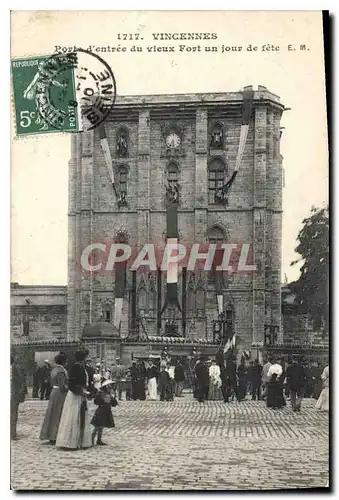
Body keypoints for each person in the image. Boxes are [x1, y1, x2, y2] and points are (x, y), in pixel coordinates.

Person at [56, 348, 92, 449]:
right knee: (73, 417)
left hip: (80, 396)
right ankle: (71, 442)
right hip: (75, 396)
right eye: (86, 357)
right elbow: (72, 384)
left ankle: (79, 441)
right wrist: (82, 391)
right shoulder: (76, 367)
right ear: (83, 358)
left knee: (79, 417)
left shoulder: (81, 367)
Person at [40, 352, 69, 444]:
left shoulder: (54, 369)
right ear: (64, 361)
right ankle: (54, 436)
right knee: (57, 414)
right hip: (60, 393)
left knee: (52, 413)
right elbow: (62, 386)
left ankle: (50, 435)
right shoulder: (61, 371)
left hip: (54, 392)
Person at [91, 380, 118, 446]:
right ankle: (91, 440)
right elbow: (96, 401)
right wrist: (103, 401)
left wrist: (112, 397)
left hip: (107, 411)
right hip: (101, 411)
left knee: (101, 426)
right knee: (97, 426)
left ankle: (99, 440)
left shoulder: (109, 394)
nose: (109, 388)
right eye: (108, 386)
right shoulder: (100, 394)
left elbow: (114, 404)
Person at [11, 354, 27, 440]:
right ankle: (12, 434)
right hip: (13, 394)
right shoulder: (17, 367)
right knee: (13, 414)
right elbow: (21, 381)